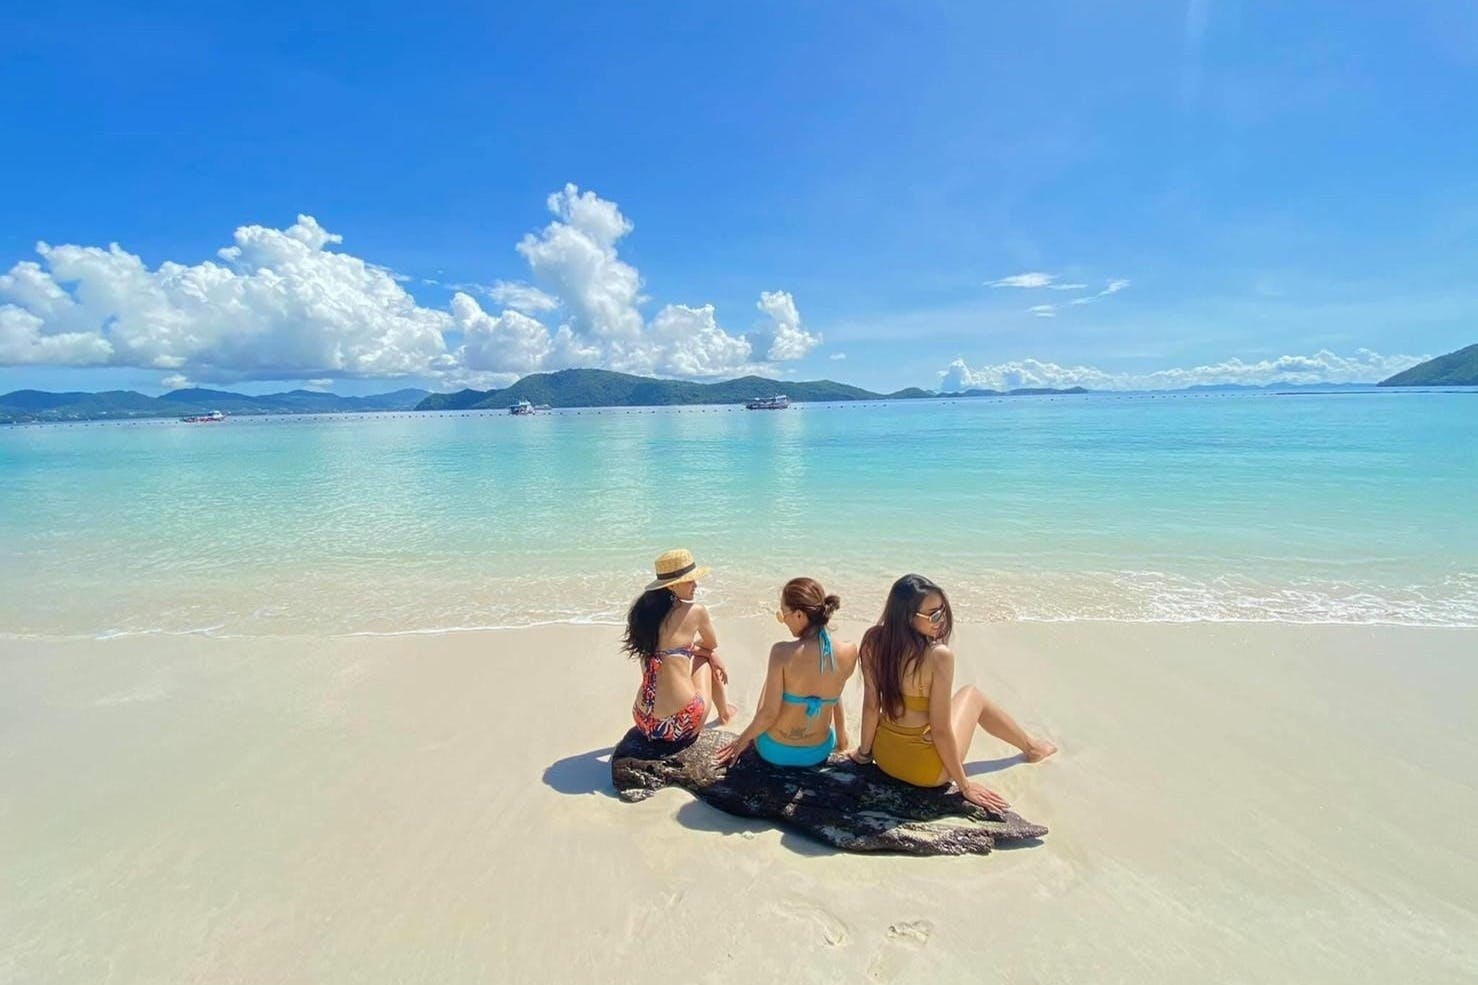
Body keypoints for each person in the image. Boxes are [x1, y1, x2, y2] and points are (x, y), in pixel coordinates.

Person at [851, 574, 1056, 811]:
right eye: (933, 615)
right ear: (907, 617)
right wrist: (964, 786)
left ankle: (1031, 747)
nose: (941, 619)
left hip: (886, 758)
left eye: (943, 611)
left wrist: (864, 754)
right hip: (926, 773)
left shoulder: (873, 641)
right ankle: (1032, 748)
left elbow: (870, 705)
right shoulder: (939, 656)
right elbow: (940, 729)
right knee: (972, 694)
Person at [716, 577, 858, 768]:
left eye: (783, 614)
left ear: (799, 615)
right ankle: (843, 741)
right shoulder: (849, 651)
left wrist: (741, 742)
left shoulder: (782, 653)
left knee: (771, 682)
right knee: (830, 682)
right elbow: (835, 694)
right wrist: (842, 744)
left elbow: (769, 713)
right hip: (818, 751)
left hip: (775, 751)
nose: (783, 621)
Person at [622, 549, 736, 743]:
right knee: (704, 660)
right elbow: (711, 644)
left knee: (681, 660)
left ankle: (724, 711)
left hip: (643, 720)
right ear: (673, 585)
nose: (696, 584)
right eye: (690, 580)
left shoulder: (645, 615)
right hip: (680, 725)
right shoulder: (695, 610)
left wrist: (690, 648)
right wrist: (708, 654)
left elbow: (668, 651)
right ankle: (724, 713)